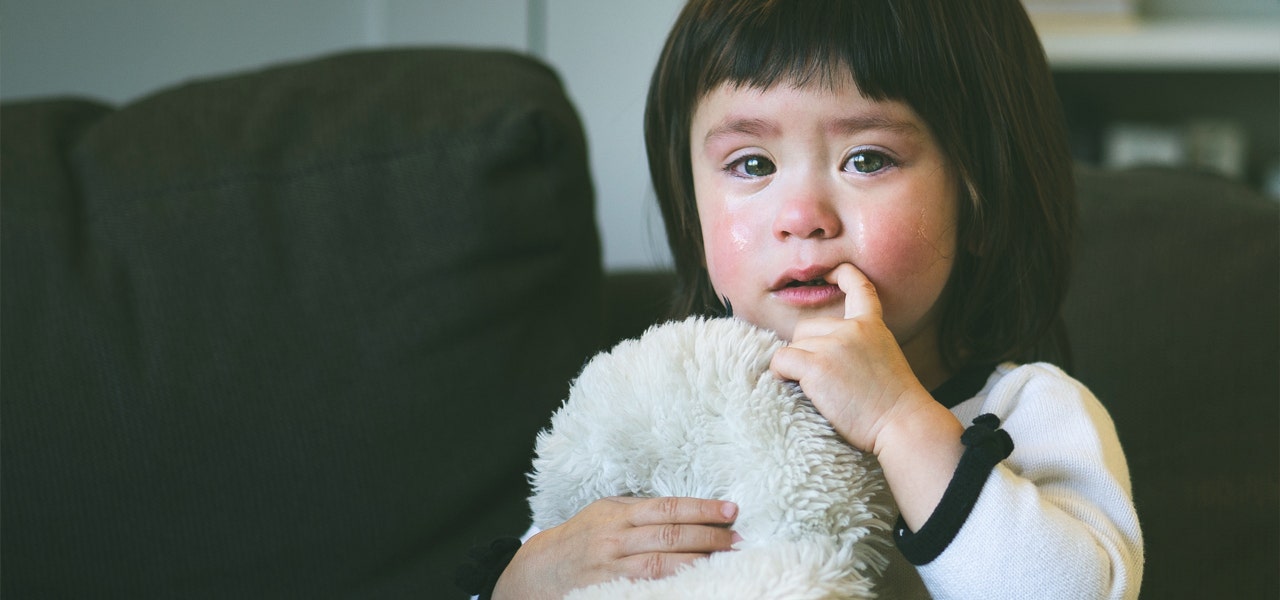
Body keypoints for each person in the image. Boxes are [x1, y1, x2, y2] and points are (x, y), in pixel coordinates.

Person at [465, 1, 1143, 598]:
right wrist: (525, 582)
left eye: (867, 158)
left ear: (981, 201)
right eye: (752, 164)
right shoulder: (661, 409)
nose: (802, 215)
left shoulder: (1031, 412)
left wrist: (898, 420)